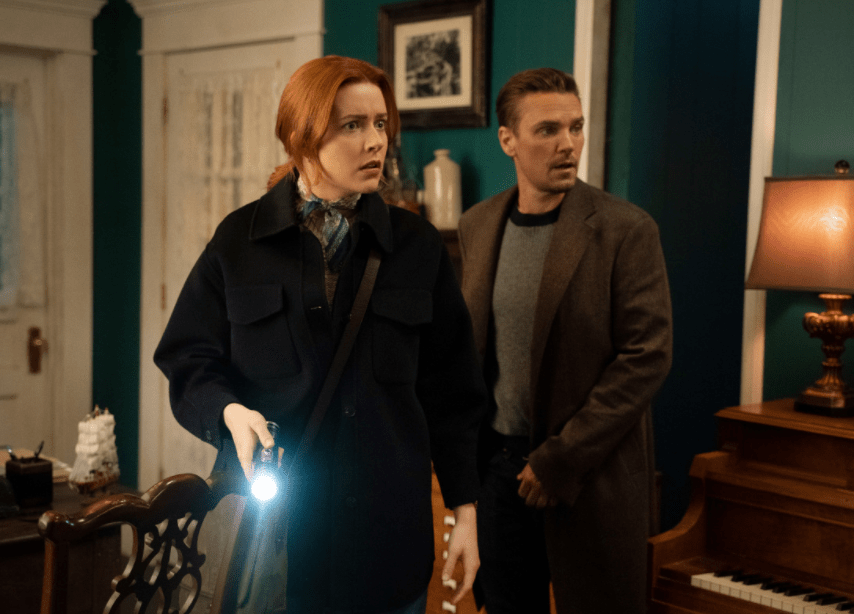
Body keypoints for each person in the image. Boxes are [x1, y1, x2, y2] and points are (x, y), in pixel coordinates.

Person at [154, 55, 486, 614]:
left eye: (380, 124)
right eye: (352, 125)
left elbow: (454, 394)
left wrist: (466, 512)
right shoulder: (239, 241)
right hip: (275, 547)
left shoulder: (417, 246)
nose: (375, 141)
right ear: (303, 136)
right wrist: (229, 413)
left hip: (387, 549)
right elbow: (187, 357)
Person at [458, 68, 673, 613]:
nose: (568, 144)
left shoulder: (626, 229)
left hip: (588, 473)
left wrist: (560, 460)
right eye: (548, 130)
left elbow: (646, 356)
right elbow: (469, 350)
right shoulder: (478, 224)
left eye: (575, 127)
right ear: (507, 139)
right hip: (499, 471)